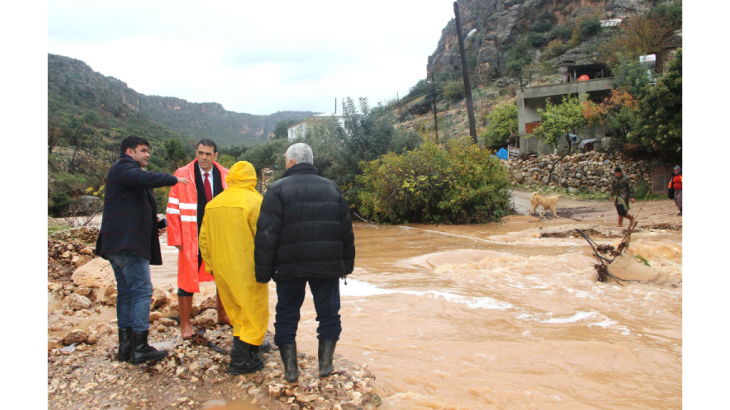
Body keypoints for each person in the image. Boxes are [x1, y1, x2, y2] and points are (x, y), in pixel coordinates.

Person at [254, 143, 355, 386]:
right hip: (327, 265)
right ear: (310, 161)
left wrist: (263, 273)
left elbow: (267, 234)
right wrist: (346, 266)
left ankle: (291, 372)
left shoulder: (276, 189)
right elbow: (346, 231)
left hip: (289, 266)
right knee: (329, 314)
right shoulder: (332, 188)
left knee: (286, 315)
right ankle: (325, 366)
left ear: (290, 162)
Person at [95, 135, 190, 365]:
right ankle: (140, 348)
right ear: (130, 152)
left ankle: (126, 348)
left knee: (127, 293)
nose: (148, 154)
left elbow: (131, 207)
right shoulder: (123, 168)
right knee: (141, 292)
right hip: (128, 245)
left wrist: (154, 225)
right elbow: (142, 179)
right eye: (143, 150)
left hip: (118, 244)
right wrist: (173, 179)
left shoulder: (125, 173)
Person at [198, 161, 271, 374]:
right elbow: (264, 237)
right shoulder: (255, 201)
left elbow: (203, 239)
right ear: (252, 178)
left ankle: (252, 345)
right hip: (247, 267)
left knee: (235, 308)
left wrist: (210, 265)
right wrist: (270, 265)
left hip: (222, 268)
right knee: (253, 309)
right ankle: (242, 359)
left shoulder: (213, 203)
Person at [166, 139, 231, 340]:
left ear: (215, 155)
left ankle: (223, 314)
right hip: (190, 236)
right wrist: (175, 236)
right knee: (187, 278)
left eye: (208, 154)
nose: (203, 157)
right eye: (200, 153)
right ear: (196, 152)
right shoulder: (182, 174)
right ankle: (185, 325)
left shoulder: (226, 175)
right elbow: (172, 207)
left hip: (218, 235)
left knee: (223, 276)